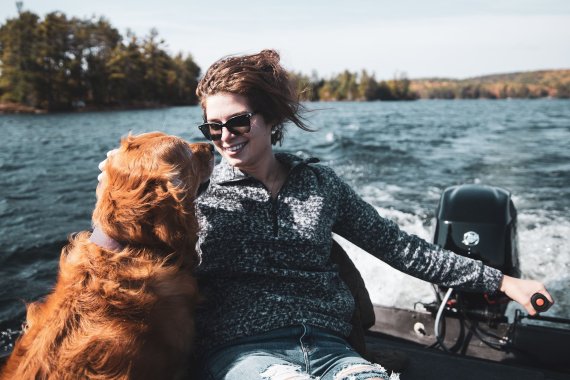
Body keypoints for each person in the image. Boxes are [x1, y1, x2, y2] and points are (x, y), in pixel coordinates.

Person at [102, 49, 553, 380]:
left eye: (237, 122)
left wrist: (503, 281)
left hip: (332, 348)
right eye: (212, 127)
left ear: (270, 117)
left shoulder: (319, 184)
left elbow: (399, 247)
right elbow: (119, 250)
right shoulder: (194, 193)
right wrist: (112, 190)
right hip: (241, 354)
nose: (225, 137)